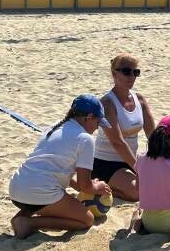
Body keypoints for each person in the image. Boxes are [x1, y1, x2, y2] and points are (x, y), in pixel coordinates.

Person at [8, 94, 113, 239]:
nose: (97, 128)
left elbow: (54, 167)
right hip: (38, 191)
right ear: (88, 117)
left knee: (44, 196)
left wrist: (80, 187)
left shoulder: (56, 126)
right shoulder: (85, 139)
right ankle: (30, 223)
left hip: (16, 188)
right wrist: (98, 187)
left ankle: (22, 216)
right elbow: (85, 185)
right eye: (98, 123)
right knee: (87, 220)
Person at [92, 54, 155, 201]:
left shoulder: (139, 99)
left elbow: (153, 135)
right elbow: (117, 142)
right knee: (139, 193)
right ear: (114, 73)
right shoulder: (107, 103)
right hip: (106, 163)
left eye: (135, 72)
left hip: (130, 160)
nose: (131, 76)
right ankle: (102, 187)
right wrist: (140, 169)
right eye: (126, 71)